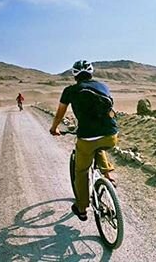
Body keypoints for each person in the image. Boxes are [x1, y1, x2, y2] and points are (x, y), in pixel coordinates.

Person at [49, 60, 118, 221]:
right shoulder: (103, 86)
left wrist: (54, 128)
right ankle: (108, 174)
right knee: (99, 146)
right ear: (91, 72)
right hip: (111, 135)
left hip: (87, 137)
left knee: (81, 171)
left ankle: (81, 208)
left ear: (74, 75)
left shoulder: (70, 91)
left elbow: (60, 114)